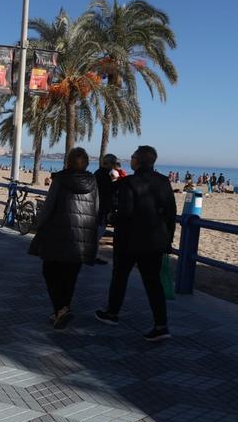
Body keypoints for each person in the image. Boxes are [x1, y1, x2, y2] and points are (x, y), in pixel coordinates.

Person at [96, 145, 176, 341]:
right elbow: (171, 213)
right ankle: (161, 325)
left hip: (129, 240)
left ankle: (112, 313)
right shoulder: (164, 181)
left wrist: (112, 218)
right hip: (155, 240)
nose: (130, 160)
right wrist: (168, 240)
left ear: (137, 161)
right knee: (153, 282)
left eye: (132, 157)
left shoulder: (129, 182)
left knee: (120, 276)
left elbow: (126, 212)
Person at [28, 148, 98, 329]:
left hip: (58, 234)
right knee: (70, 277)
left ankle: (61, 309)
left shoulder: (60, 180)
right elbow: (96, 209)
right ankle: (61, 311)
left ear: (68, 162)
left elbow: (48, 207)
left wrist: (39, 225)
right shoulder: (93, 182)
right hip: (82, 237)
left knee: (49, 271)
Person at [94, 154, 118, 265]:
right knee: (97, 232)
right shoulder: (104, 176)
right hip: (100, 209)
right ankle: (92, 256)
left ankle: (92, 255)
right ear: (108, 163)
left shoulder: (98, 173)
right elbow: (107, 193)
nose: (114, 166)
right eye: (113, 163)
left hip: (97, 208)